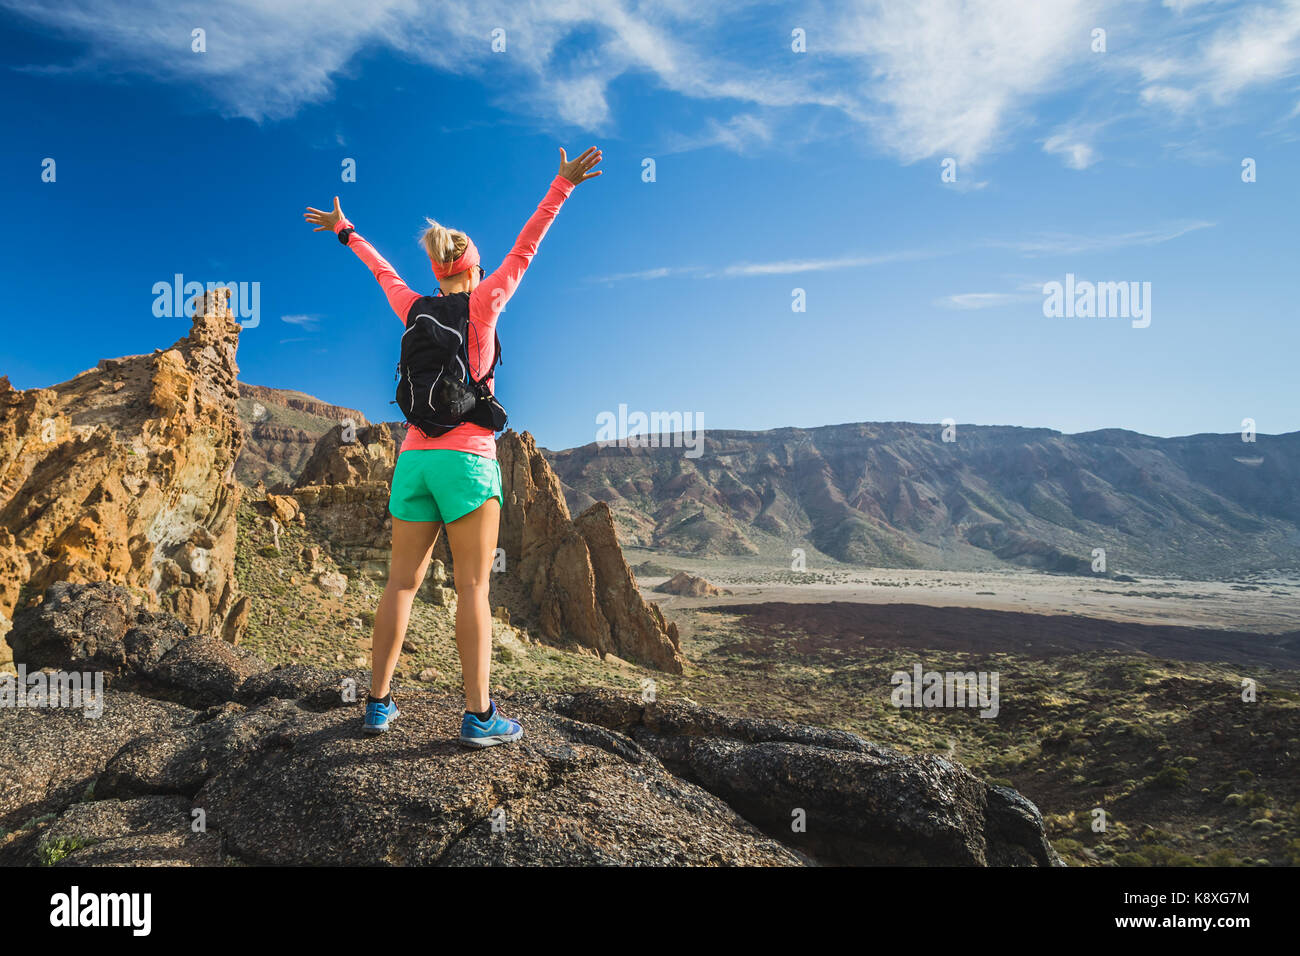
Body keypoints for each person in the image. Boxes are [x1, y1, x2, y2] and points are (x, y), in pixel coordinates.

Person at [303, 146, 603, 747]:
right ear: (472, 267)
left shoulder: (412, 306)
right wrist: (561, 185)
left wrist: (345, 231)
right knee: (473, 588)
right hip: (468, 461)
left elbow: (381, 270)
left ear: (438, 269)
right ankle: (479, 716)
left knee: (400, 586)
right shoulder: (486, 302)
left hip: (412, 460)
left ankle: (379, 705)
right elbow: (528, 247)